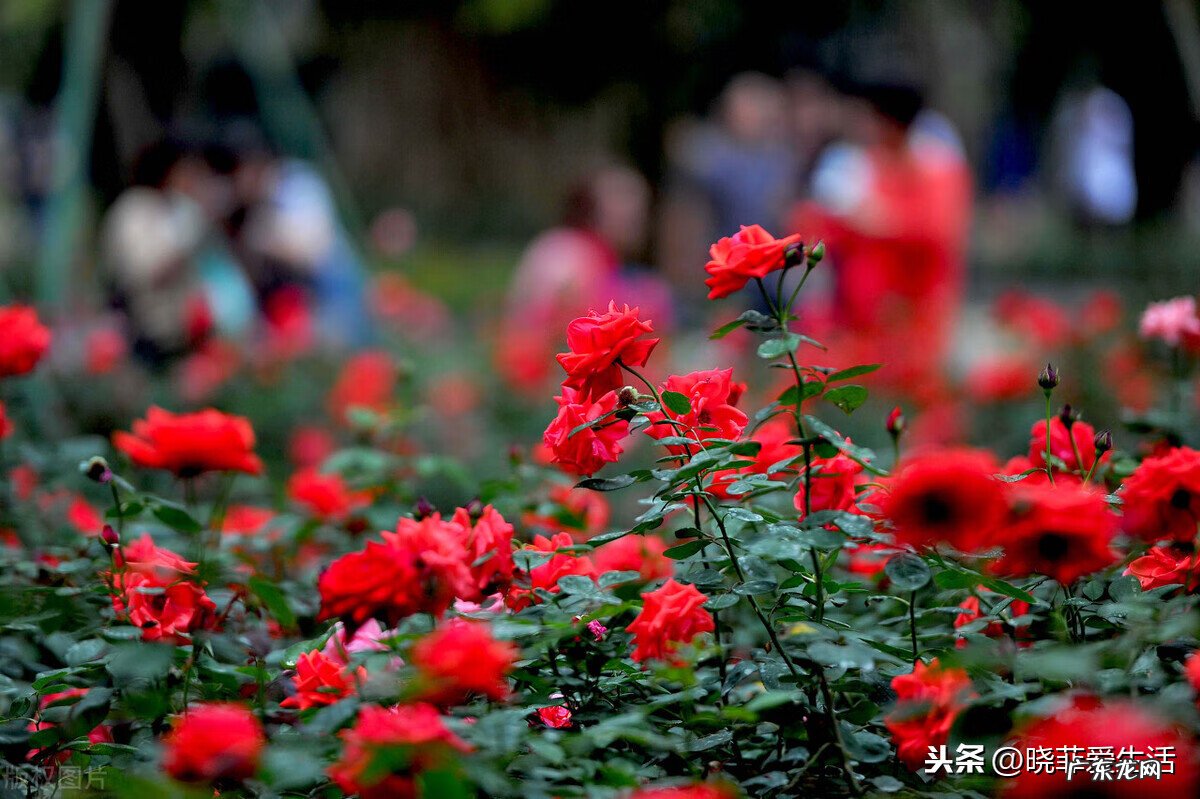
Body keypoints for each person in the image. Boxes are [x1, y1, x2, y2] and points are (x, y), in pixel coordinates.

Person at [791, 81, 972, 404]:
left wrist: (878, 223)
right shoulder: (859, 166)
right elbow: (817, 225)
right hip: (857, 320)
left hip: (914, 317)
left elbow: (937, 232)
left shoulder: (936, 168)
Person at [497, 165, 672, 395]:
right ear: (589, 205)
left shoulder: (612, 263)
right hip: (542, 384)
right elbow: (550, 325)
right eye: (623, 198)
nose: (636, 212)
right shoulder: (565, 251)